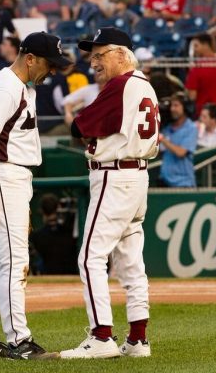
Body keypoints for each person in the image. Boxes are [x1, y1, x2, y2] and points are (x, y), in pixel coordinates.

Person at [0, 31, 71, 359]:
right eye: (49, 64)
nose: (53, 70)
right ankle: (19, 341)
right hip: (3, 173)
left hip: (12, 174)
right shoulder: (6, 87)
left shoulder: (24, 85)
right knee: (15, 261)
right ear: (29, 59)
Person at [61, 27, 158, 359]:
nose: (93, 63)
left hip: (115, 177)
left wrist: (79, 116)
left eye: (100, 55)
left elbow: (78, 127)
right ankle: (138, 339)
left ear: (122, 55)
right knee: (131, 261)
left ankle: (102, 336)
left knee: (89, 257)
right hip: (137, 177)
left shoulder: (120, 85)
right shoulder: (145, 85)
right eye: (92, 56)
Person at [185, 33, 216, 117]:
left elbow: (192, 96)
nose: (194, 50)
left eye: (196, 46)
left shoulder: (197, 68)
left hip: (202, 115)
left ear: (206, 45)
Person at [29, 193, 77, 275]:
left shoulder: (37, 236)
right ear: (58, 208)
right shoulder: (70, 232)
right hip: (72, 279)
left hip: (48, 281)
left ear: (42, 211)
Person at [159, 93, 198, 187]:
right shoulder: (167, 128)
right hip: (165, 181)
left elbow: (181, 152)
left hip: (183, 183)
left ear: (185, 107)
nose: (172, 109)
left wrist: (162, 139)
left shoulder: (191, 128)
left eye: (176, 105)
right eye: (172, 105)